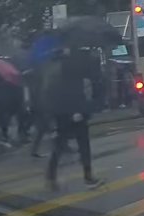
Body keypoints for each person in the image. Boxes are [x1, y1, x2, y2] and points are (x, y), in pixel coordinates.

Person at [43, 48, 102, 191]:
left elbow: (49, 93)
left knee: (60, 145)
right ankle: (88, 177)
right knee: (83, 144)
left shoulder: (52, 71)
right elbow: (75, 91)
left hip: (60, 112)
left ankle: (51, 177)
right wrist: (79, 110)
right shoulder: (70, 70)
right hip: (74, 111)